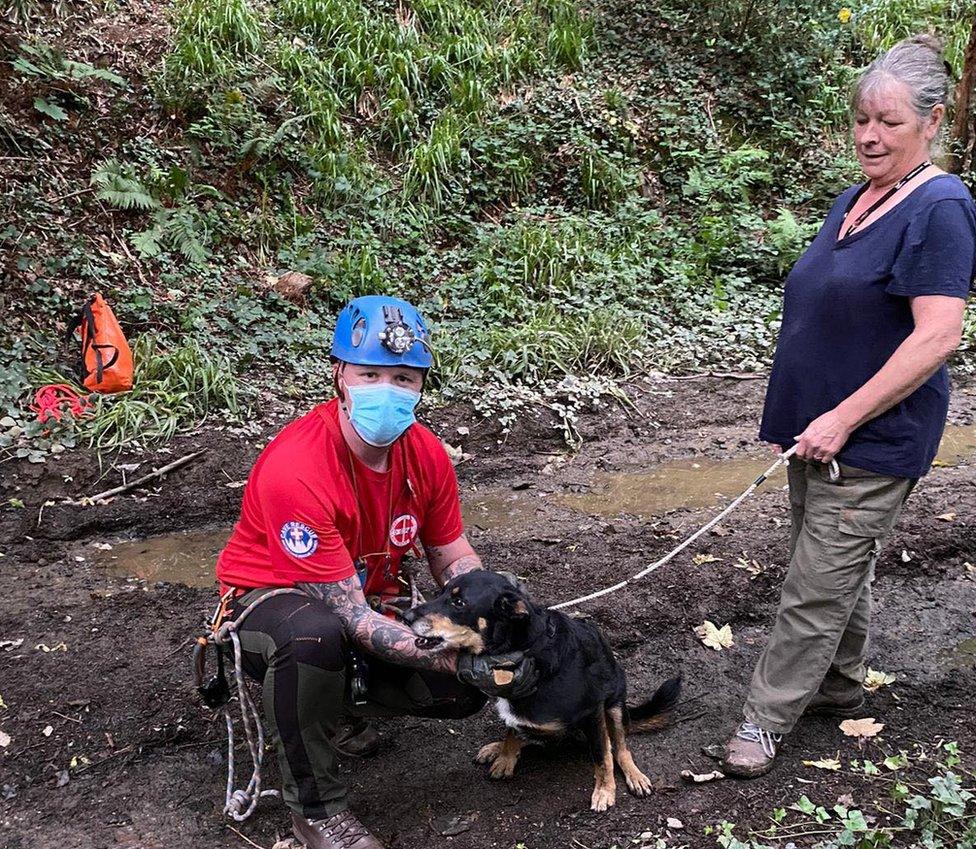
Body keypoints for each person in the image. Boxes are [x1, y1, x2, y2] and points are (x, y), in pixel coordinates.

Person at [722, 35, 976, 777]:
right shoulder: (857, 199)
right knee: (829, 562)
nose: (868, 134)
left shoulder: (942, 208)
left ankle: (763, 721)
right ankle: (840, 682)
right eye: (862, 118)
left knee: (813, 584)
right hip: (818, 431)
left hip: (870, 435)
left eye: (889, 121)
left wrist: (842, 416)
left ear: (931, 122)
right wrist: (810, 414)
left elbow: (937, 337)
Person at [214, 295, 537, 848]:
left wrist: (490, 620)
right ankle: (316, 811)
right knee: (315, 637)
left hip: (368, 597)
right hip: (272, 600)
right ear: (340, 374)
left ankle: (332, 708)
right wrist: (456, 656)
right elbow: (349, 616)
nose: (388, 389)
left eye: (405, 378)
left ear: (421, 384)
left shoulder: (426, 453)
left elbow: (450, 552)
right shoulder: (297, 469)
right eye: (370, 373)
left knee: (460, 691)